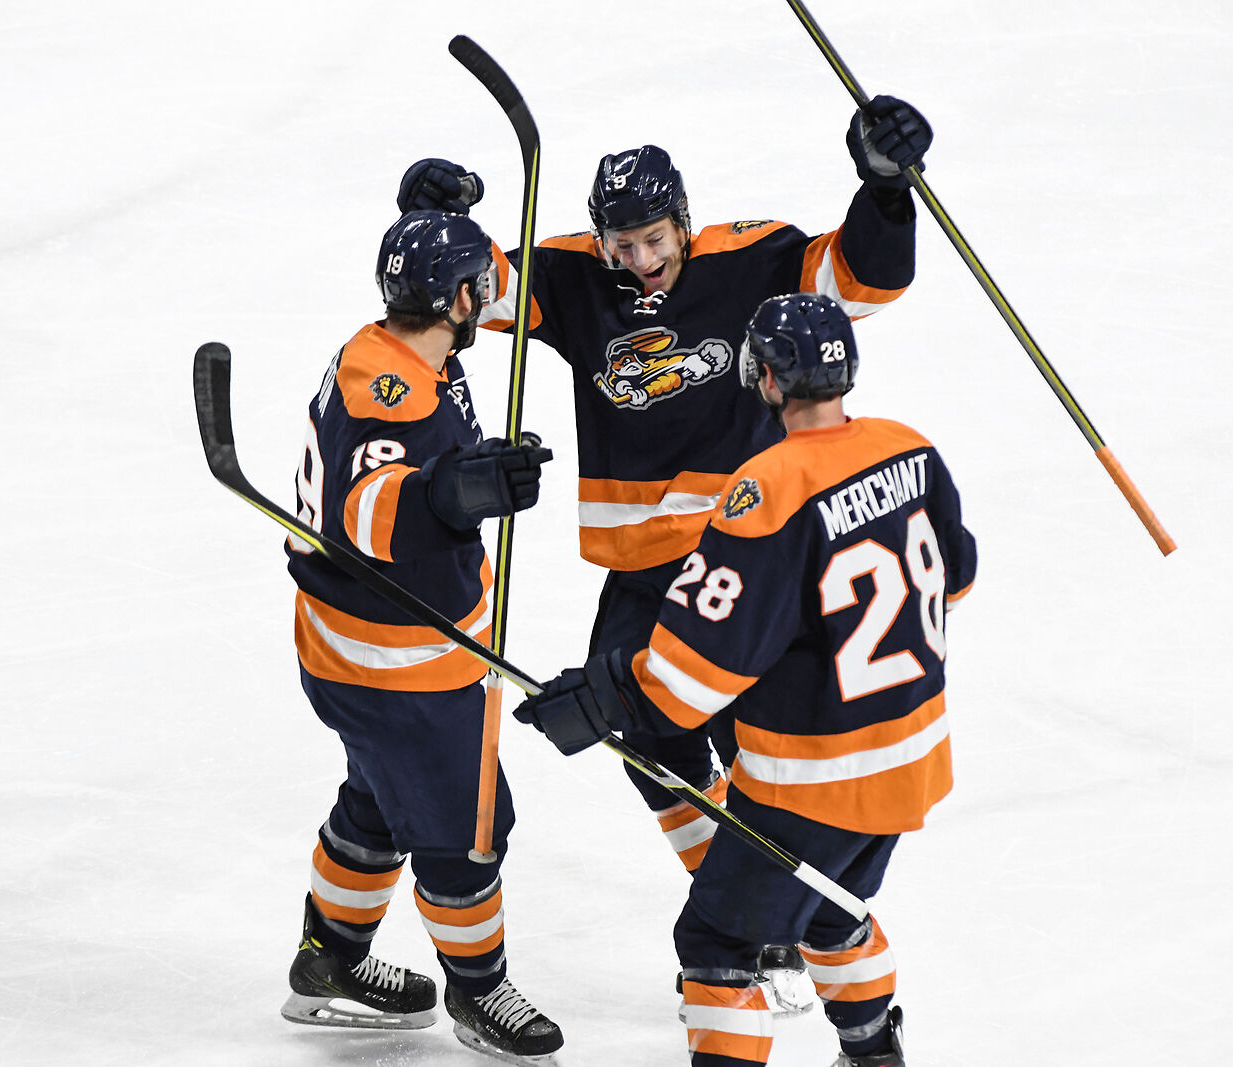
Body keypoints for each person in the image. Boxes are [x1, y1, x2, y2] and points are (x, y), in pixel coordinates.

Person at [397, 96, 934, 908]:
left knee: (750, 743)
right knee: (642, 733)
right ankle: (733, 894)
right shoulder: (577, 277)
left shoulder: (753, 260)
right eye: (623, 243)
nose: (641, 258)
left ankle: (775, 915)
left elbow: (866, 278)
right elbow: (471, 289)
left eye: (655, 238)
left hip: (736, 553)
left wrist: (887, 191)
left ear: (685, 222)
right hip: (642, 568)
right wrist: (429, 222)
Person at [513, 293, 977, 1067]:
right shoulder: (911, 451)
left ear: (762, 377)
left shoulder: (768, 487)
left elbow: (693, 676)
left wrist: (601, 692)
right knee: (832, 908)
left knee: (717, 942)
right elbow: (952, 583)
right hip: (911, 759)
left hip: (812, 778)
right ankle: (873, 1055)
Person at [278, 208, 562, 1062]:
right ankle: (480, 993)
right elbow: (368, 510)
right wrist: (454, 492)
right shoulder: (386, 390)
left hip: (357, 654)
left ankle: (329, 959)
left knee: (378, 799)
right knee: (466, 828)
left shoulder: (397, 346)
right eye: (484, 284)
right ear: (461, 298)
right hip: (397, 667)